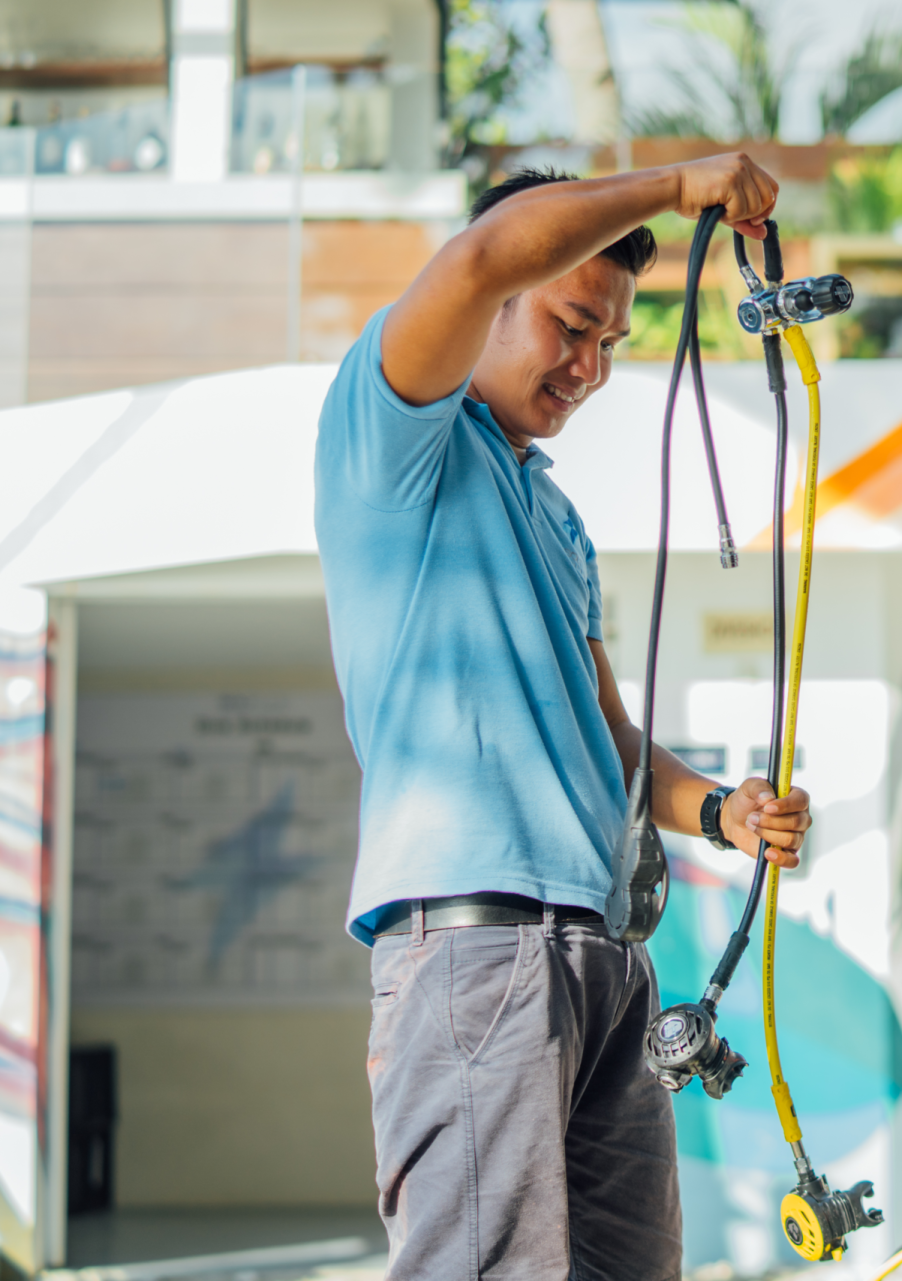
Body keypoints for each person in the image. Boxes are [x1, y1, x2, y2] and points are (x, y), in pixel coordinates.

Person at [313, 154, 807, 1281]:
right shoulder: (393, 434)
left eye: (611, 344)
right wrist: (677, 185)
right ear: (495, 302)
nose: (589, 367)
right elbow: (487, 253)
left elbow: (609, 735)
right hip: (475, 946)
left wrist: (722, 810)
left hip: (602, 952)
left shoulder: (553, 513)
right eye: (571, 325)